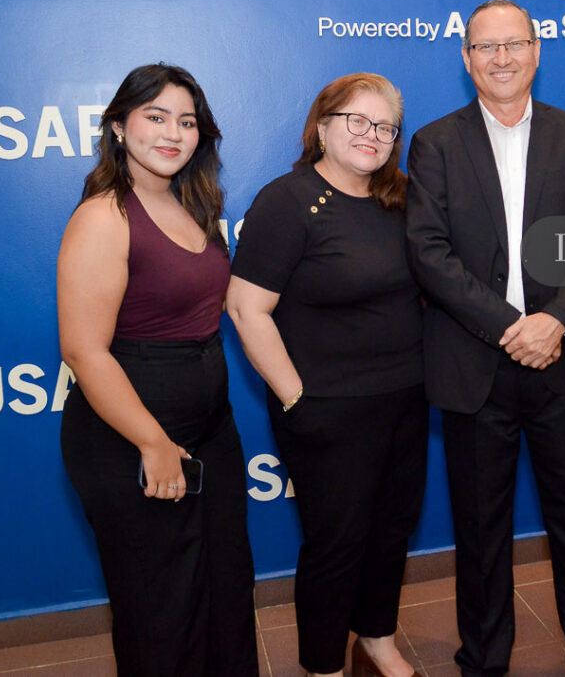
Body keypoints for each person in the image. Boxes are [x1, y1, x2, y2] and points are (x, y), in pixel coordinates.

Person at [406, 0, 565, 677]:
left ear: (536, 50)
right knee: (480, 533)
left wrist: (555, 321)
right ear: (466, 58)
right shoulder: (435, 142)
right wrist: (511, 327)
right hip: (476, 367)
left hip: (564, 360)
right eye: (485, 46)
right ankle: (483, 659)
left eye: (514, 44)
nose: (501, 58)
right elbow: (429, 251)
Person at [58, 63, 257, 677]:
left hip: (211, 431)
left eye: (187, 121)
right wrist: (153, 443)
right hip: (131, 438)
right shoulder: (104, 216)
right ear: (119, 127)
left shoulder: (195, 204)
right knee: (160, 609)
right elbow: (84, 351)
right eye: (156, 116)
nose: (174, 133)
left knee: (226, 588)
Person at [226, 73, 426, 677]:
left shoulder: (402, 199)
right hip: (326, 410)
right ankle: (323, 666)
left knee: (391, 532)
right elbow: (246, 308)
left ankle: (377, 639)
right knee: (336, 545)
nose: (372, 135)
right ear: (321, 127)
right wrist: (296, 399)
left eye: (385, 127)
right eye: (357, 121)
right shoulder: (287, 201)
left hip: (405, 399)